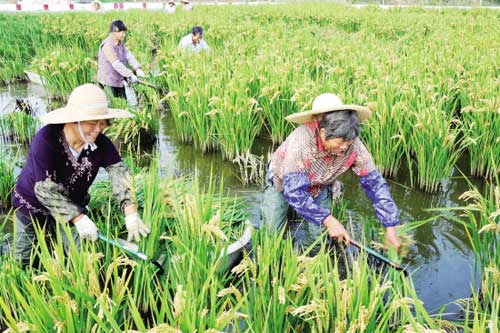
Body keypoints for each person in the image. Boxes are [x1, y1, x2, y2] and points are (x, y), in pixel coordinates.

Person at [12, 84, 150, 266]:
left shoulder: (101, 145)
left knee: (81, 260)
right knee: (23, 260)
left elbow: (119, 173)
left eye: (102, 123)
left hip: (72, 206)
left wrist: (130, 213)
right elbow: (44, 190)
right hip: (31, 207)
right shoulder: (46, 140)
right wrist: (80, 218)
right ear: (73, 120)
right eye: (92, 123)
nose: (98, 129)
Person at [259, 93, 402, 256]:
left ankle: (308, 264)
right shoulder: (301, 142)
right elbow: (293, 192)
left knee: (317, 240)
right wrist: (330, 220)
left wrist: (390, 226)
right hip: (283, 182)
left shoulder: (352, 144)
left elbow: (375, 184)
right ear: (322, 131)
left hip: (319, 185)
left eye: (347, 143)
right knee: (271, 233)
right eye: (340, 142)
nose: (343, 148)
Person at [97, 20, 146, 99]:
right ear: (114, 32)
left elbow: (129, 55)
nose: (124, 35)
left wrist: (137, 68)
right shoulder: (107, 45)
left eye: (124, 32)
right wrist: (130, 75)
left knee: (123, 103)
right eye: (122, 32)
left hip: (118, 81)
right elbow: (116, 64)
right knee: (113, 106)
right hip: (108, 82)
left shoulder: (120, 43)